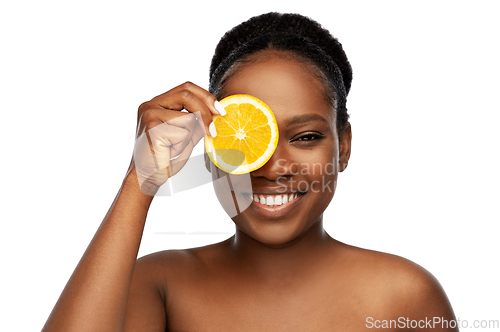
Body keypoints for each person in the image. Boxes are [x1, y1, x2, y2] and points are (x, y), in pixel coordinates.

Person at [42, 12, 458, 331]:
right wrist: (139, 182)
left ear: (343, 146)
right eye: (245, 141)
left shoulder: (405, 296)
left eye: (306, 137)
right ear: (209, 150)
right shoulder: (160, 284)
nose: (273, 167)